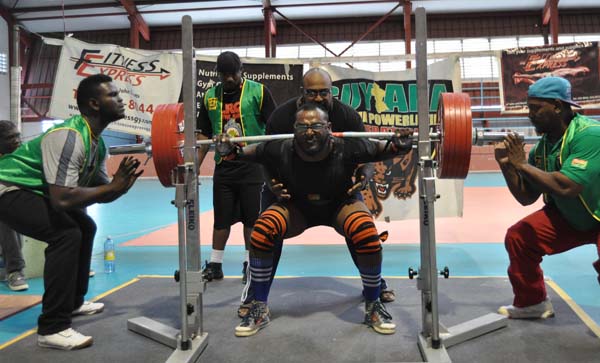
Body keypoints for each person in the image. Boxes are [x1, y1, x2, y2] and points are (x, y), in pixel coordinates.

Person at [215, 103, 413, 337]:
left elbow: (385, 149)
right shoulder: (280, 149)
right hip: (297, 209)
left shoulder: (347, 147)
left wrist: (400, 144)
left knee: (365, 230)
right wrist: (226, 148)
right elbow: (240, 154)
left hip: (338, 206)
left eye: (316, 126)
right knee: (263, 229)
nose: (309, 132)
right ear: (294, 128)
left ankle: (372, 306)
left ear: (329, 127)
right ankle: (259, 307)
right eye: (303, 126)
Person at [0, 74, 143, 350]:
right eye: (112, 95)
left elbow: (101, 192)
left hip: (33, 190)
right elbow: (63, 199)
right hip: (7, 187)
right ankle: (52, 327)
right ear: (94, 104)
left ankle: (74, 302)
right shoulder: (70, 136)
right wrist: (112, 187)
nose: (120, 99)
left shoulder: (96, 144)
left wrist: (119, 187)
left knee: (85, 227)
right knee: (65, 234)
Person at [238, 67, 394, 318]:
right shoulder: (281, 117)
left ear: (332, 92)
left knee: (363, 232)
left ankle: (375, 288)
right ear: (302, 92)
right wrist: (272, 183)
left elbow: (367, 150)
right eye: (312, 93)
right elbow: (265, 156)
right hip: (290, 194)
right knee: (265, 233)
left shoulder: (347, 116)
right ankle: (257, 295)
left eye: (324, 92)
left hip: (337, 192)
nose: (319, 97)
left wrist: (364, 174)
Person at [494, 76, 600, 319]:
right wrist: (508, 166)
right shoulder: (543, 148)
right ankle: (533, 303)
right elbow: (526, 197)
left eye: (535, 108)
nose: (530, 115)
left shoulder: (590, 135)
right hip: (572, 217)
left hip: (597, 211)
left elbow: (566, 187)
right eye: (529, 108)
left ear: (557, 106)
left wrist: (522, 164)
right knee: (519, 237)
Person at [196, 51, 276, 282]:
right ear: (218, 74)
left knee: (253, 219)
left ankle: (250, 265)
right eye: (225, 74)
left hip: (253, 166)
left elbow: (273, 127)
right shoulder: (211, 96)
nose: (229, 78)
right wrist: (194, 167)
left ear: (241, 71)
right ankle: (215, 264)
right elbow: (203, 133)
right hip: (224, 167)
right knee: (221, 219)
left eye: (234, 73)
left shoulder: (258, 92)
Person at [0, 120, 28, 291]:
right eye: (11, 137)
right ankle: (15, 270)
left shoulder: (25, 155)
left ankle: (76, 263)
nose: (17, 140)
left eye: (18, 136)